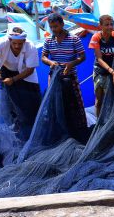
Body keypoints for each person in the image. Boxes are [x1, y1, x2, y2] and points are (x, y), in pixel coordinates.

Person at [41, 13, 89, 143]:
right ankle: (57, 131)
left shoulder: (74, 39)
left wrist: (71, 64)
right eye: (51, 27)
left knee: (75, 105)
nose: (54, 29)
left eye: (56, 26)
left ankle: (77, 131)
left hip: (70, 77)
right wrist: (51, 63)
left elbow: (82, 57)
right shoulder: (48, 40)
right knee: (53, 105)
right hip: (55, 77)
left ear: (62, 24)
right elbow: (43, 57)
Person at [0, 26, 41, 141]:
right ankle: (14, 132)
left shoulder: (31, 47)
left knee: (30, 103)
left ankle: (31, 132)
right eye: (14, 43)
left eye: (20, 43)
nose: (17, 46)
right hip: (4, 70)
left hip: (25, 73)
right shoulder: (1, 42)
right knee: (6, 104)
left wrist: (13, 79)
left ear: (24, 41)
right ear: (9, 40)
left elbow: (30, 69)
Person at [88, 14, 114, 117]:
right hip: (100, 71)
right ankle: (98, 125)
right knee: (99, 101)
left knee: (113, 99)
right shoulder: (96, 38)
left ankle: (112, 121)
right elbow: (99, 59)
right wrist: (113, 72)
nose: (109, 27)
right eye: (106, 25)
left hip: (113, 71)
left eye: (111, 24)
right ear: (100, 26)